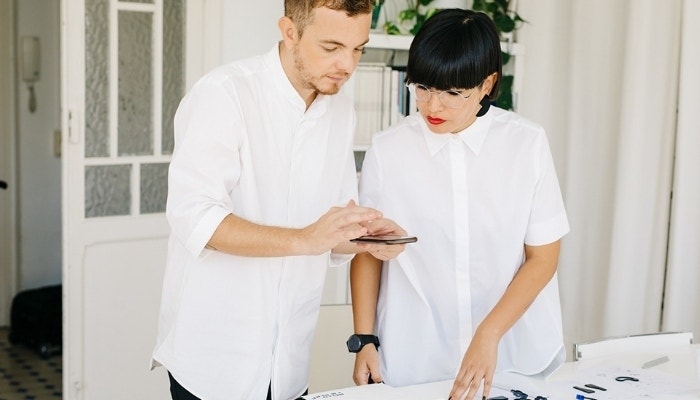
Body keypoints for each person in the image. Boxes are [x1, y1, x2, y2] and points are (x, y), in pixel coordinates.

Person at [151, 1, 408, 399]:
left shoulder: (341, 109)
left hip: (289, 362)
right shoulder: (224, 94)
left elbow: (329, 231)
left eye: (359, 48)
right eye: (331, 47)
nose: (347, 64)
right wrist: (305, 238)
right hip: (216, 362)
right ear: (289, 32)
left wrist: (366, 239)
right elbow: (197, 219)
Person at [349, 8, 570, 400]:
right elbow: (367, 252)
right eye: (423, 87)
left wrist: (490, 333)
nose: (433, 106)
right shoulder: (388, 150)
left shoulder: (526, 145)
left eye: (453, 94)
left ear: (487, 84)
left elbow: (543, 258)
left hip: (515, 356)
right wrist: (364, 338)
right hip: (417, 362)